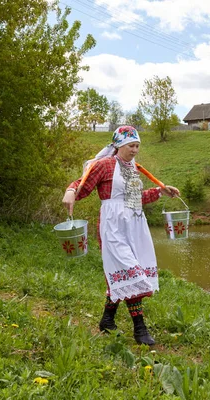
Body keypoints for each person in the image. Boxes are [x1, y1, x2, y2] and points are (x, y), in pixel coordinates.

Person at [62, 125, 179, 345]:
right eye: (131, 146)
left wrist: (159, 191)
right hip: (112, 226)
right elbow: (82, 185)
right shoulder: (105, 165)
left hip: (135, 226)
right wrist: (70, 191)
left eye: (137, 146)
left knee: (124, 275)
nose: (135, 150)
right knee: (131, 273)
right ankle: (140, 328)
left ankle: (107, 320)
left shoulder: (133, 168)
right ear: (119, 145)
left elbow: (135, 199)